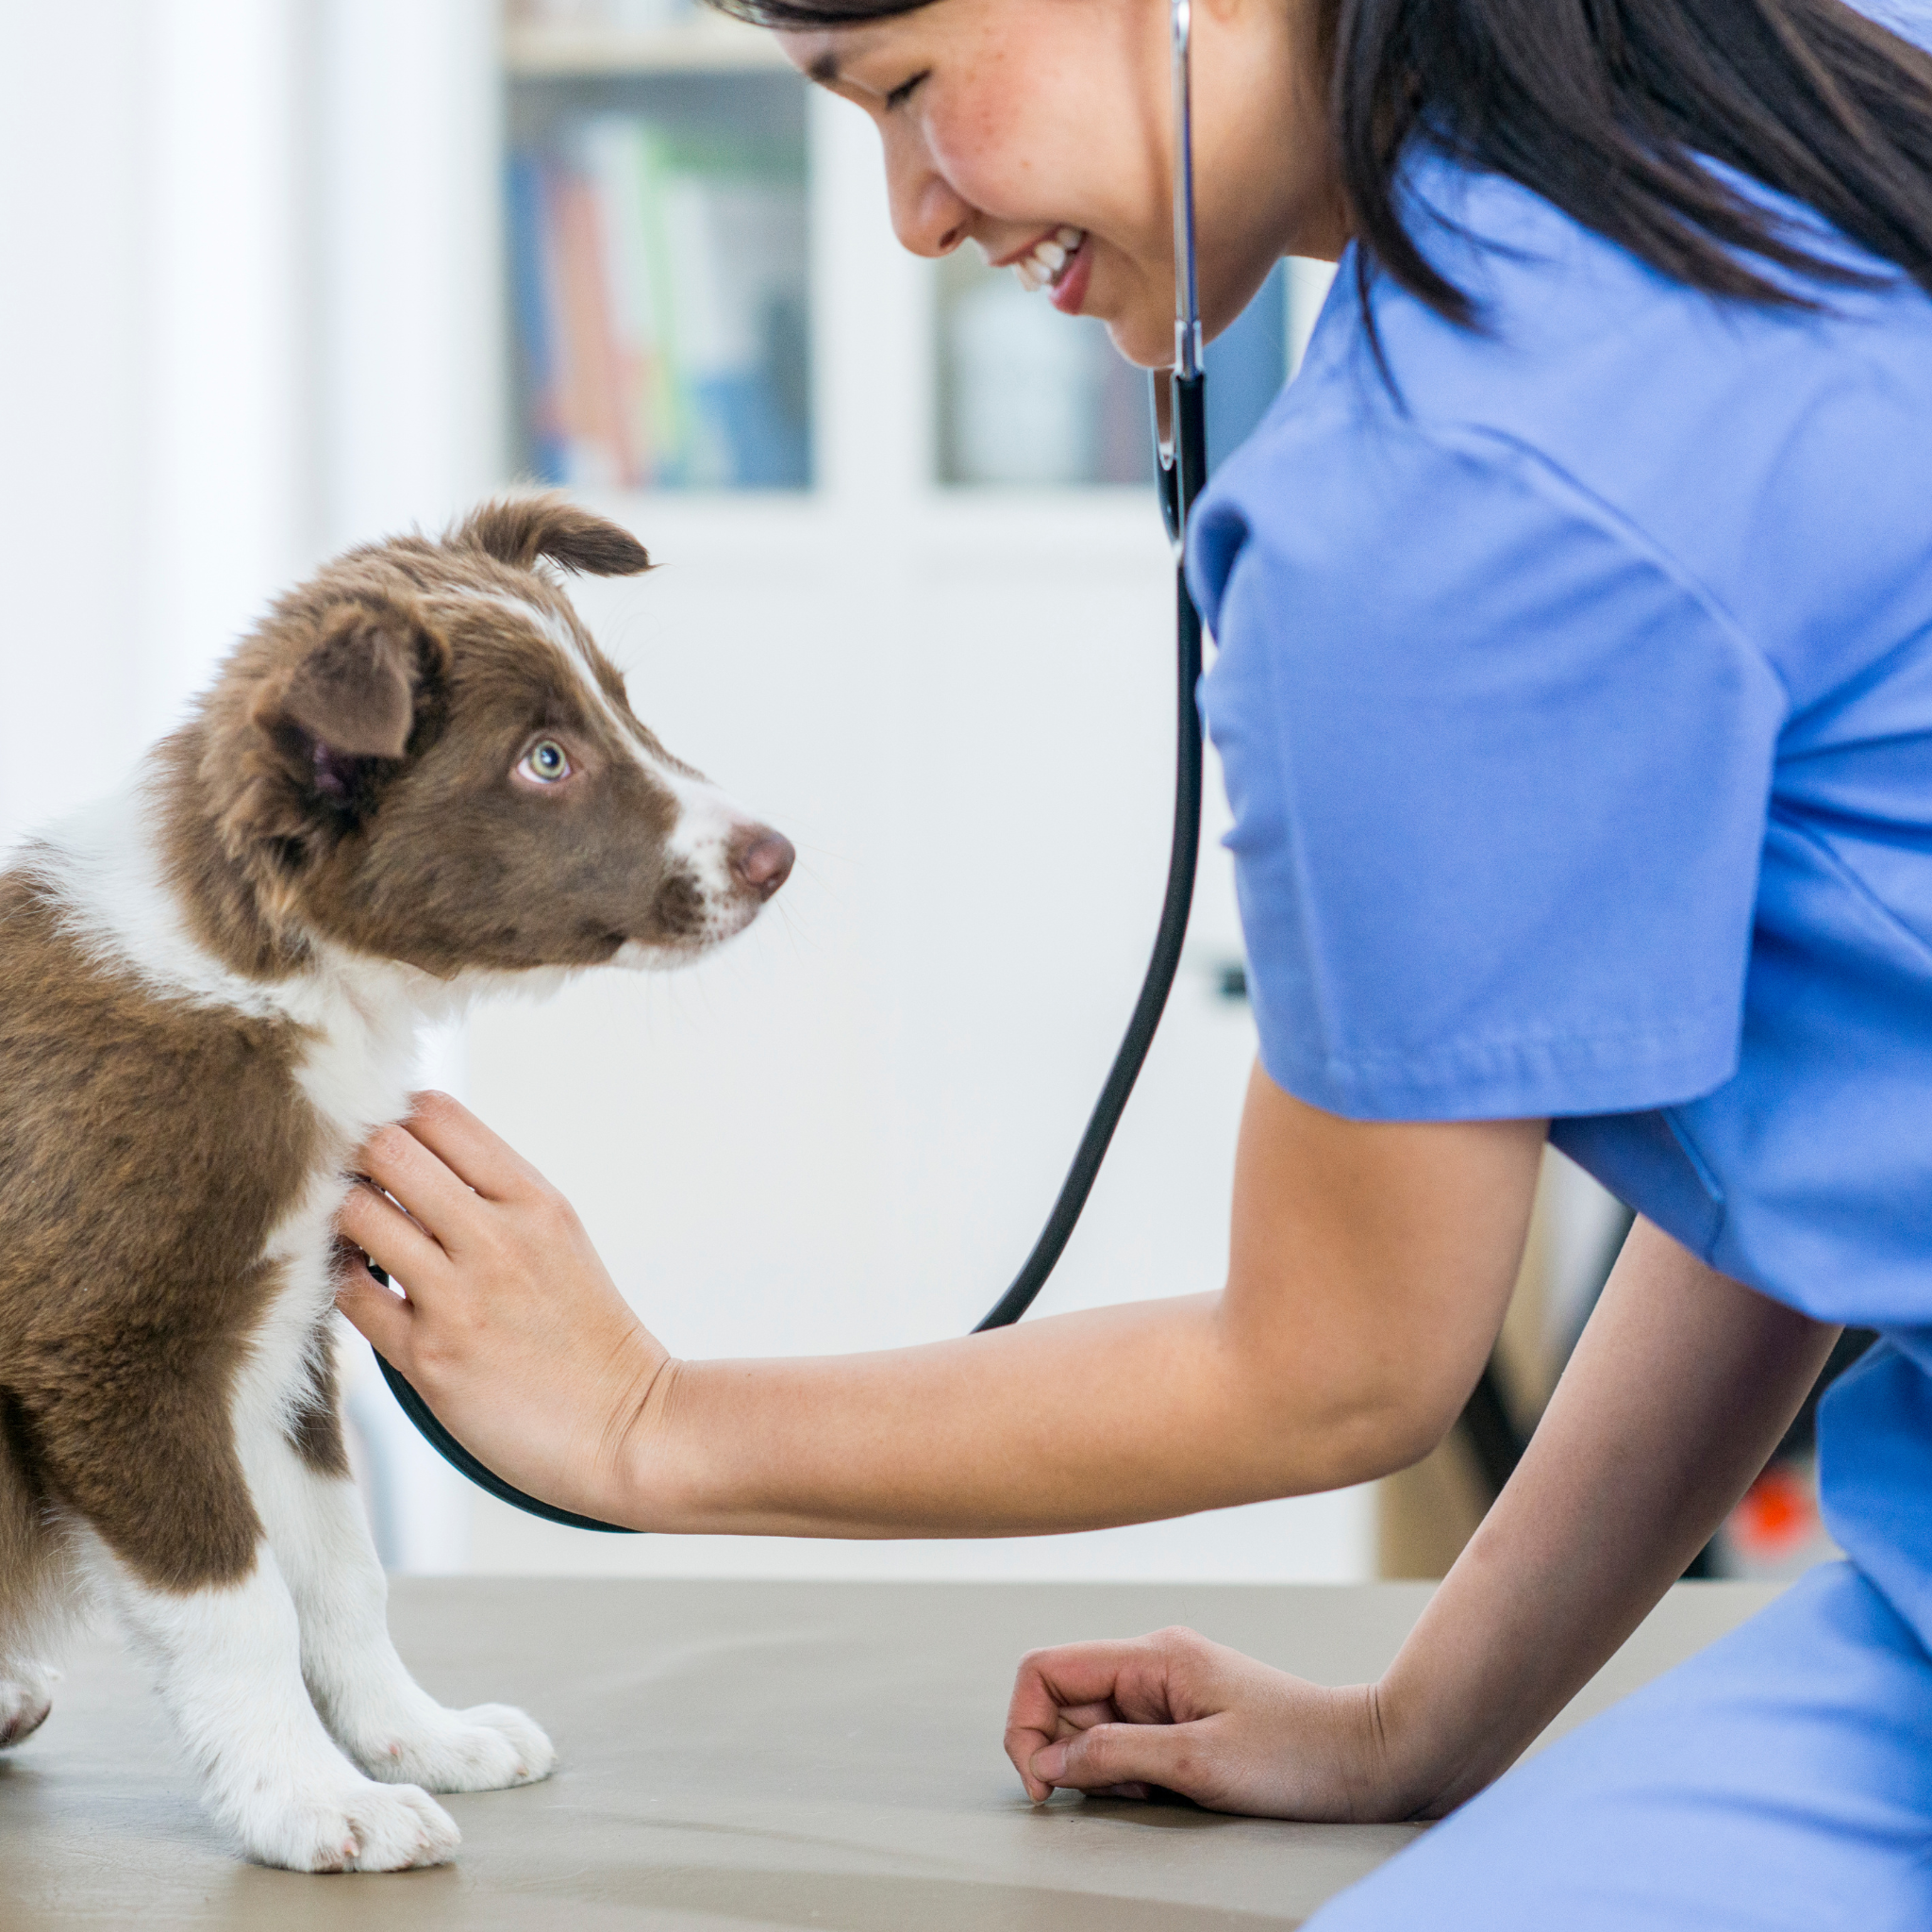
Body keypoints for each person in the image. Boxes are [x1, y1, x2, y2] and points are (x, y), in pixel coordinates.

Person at [335, 0, 1932, 1921]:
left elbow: (1331, 1366)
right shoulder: (1783, 105)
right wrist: (1420, 1725)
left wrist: (642, 1422)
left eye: (909, 88)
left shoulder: (1441, 498)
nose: (913, 217)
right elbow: (1813, 1118)